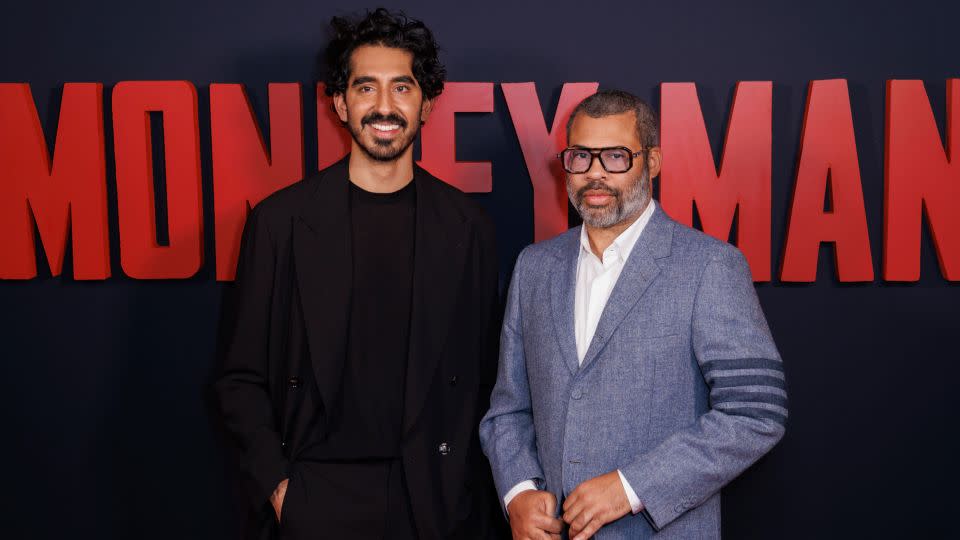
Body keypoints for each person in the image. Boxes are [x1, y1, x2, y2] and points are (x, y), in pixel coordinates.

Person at [214, 9, 500, 539]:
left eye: (402, 88)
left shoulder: (469, 227)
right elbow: (240, 377)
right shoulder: (280, 222)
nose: (384, 107)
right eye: (366, 88)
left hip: (431, 498)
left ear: (427, 103)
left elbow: (488, 380)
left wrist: (460, 487)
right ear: (341, 102)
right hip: (315, 492)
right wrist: (281, 489)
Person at [479, 90, 787, 540]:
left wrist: (632, 487)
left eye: (617, 157)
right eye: (581, 157)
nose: (595, 174)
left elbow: (756, 412)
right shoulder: (534, 268)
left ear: (653, 161)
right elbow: (508, 410)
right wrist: (518, 492)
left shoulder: (709, 266)